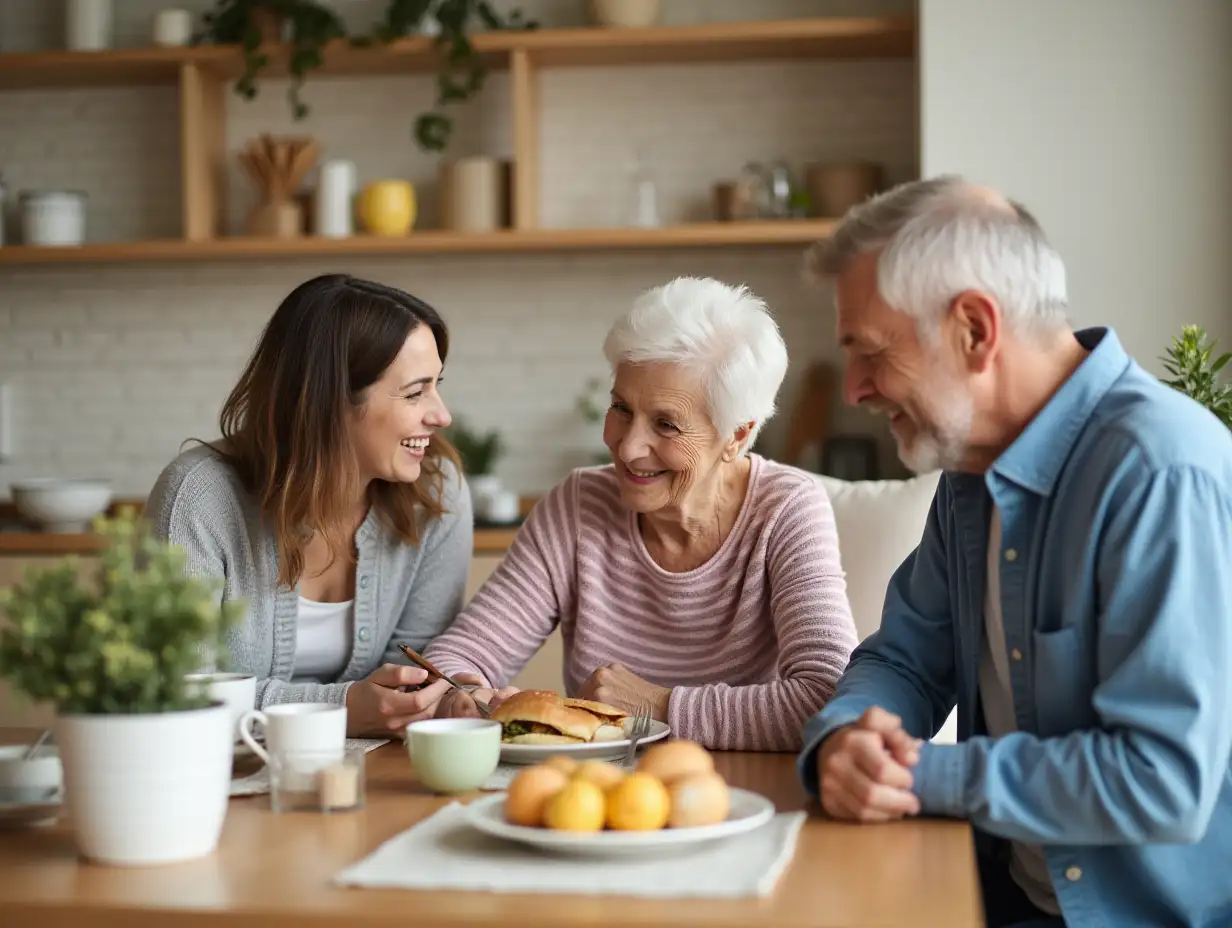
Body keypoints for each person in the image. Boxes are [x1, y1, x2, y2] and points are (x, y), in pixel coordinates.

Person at [797, 175, 1232, 928]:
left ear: (974, 328)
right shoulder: (971, 471)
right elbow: (903, 658)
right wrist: (844, 738)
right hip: (993, 896)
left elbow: (1160, 778)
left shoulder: (1160, 470)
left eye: (868, 352)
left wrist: (920, 774)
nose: (855, 391)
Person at [423, 276, 859, 752]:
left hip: (743, 792)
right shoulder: (577, 506)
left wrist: (659, 706)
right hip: (594, 801)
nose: (628, 448)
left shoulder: (785, 510)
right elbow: (459, 655)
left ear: (736, 435)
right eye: (621, 408)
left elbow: (828, 698)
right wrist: (461, 695)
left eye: (666, 424)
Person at [147, 273, 478, 738]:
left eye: (436, 385)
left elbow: (418, 672)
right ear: (330, 401)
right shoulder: (197, 501)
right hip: (217, 778)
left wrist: (448, 695)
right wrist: (340, 707)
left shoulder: (436, 495)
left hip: (375, 777)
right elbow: (179, 694)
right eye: (415, 392)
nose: (441, 415)